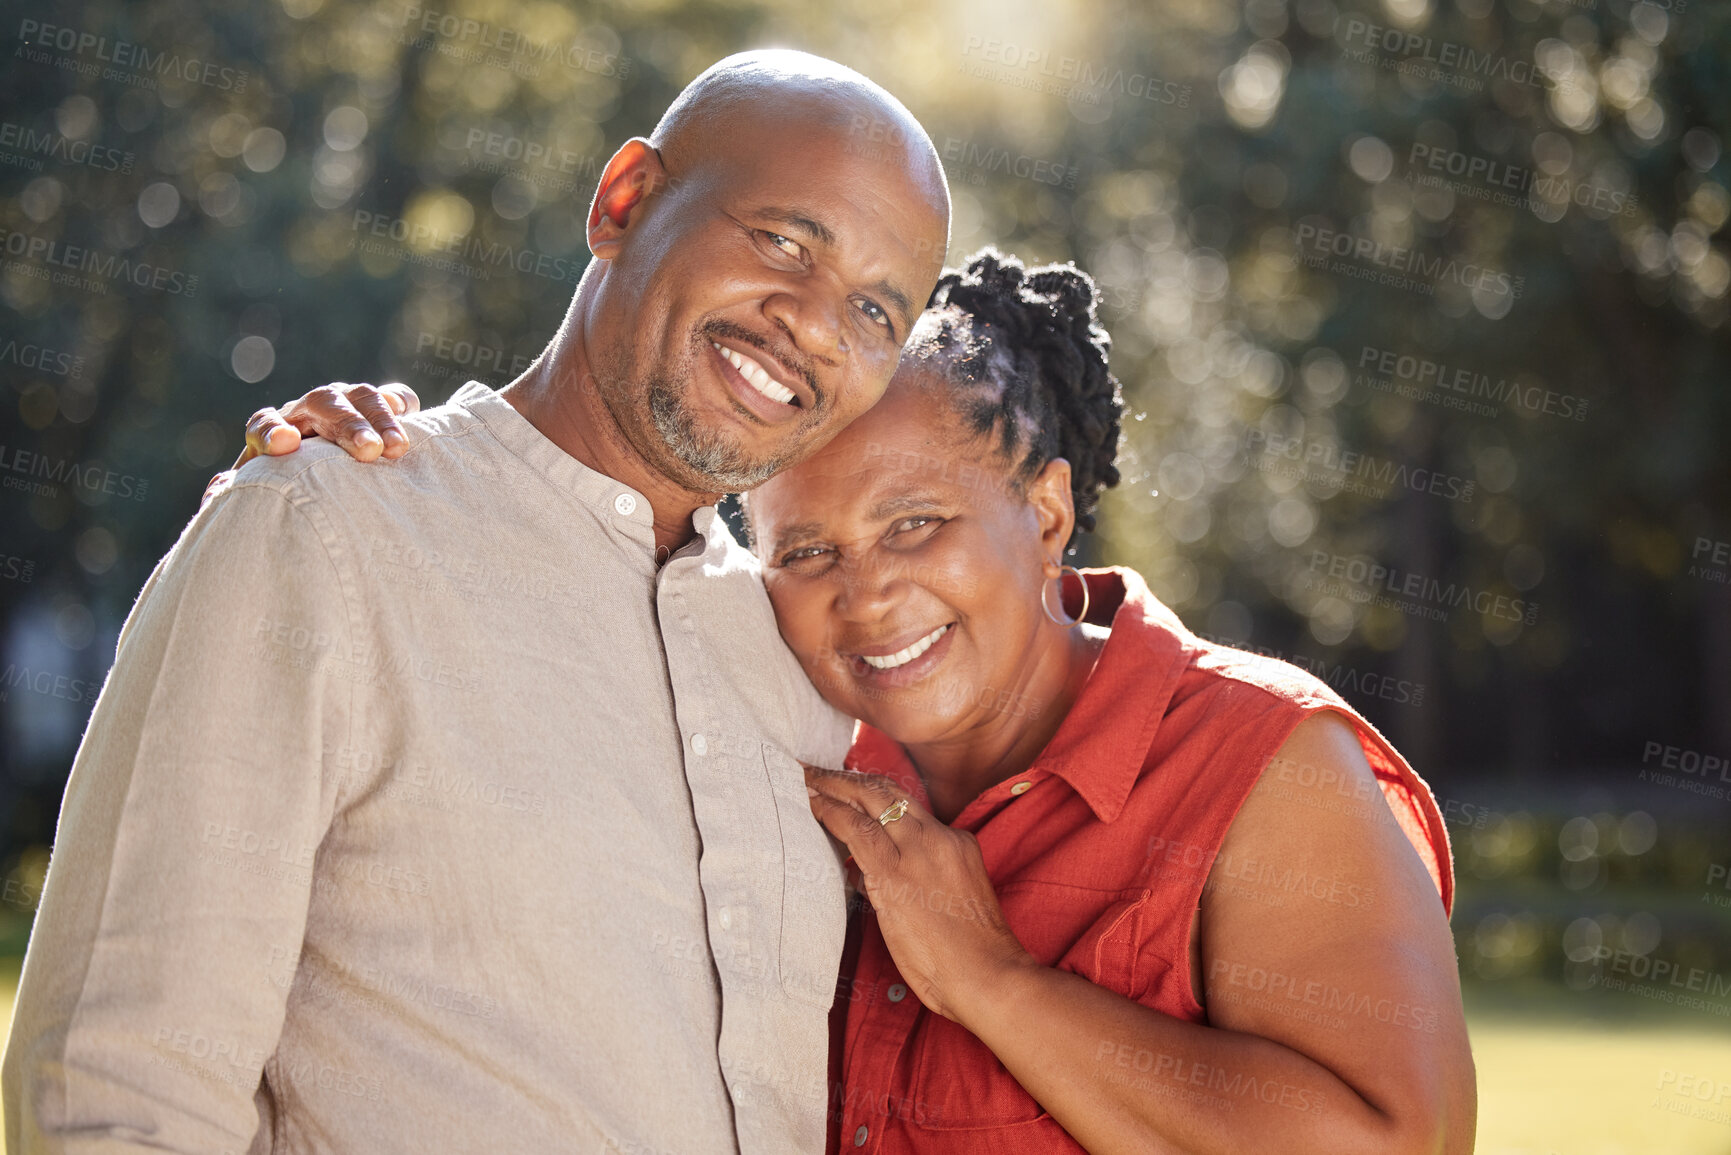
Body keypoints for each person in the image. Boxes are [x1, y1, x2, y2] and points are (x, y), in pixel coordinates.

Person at [248, 250, 1476, 1153]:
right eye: (806, 551)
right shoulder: (774, 741)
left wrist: (991, 981)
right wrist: (396, 477)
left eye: (917, 524)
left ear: (1045, 512)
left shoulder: (1260, 762)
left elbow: (1392, 1143)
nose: (869, 596)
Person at [3, 51, 949, 1154]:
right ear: (624, 202)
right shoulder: (322, 532)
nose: (819, 327)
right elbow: (113, 1096)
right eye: (785, 242)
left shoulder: (806, 672)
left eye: (878, 310)